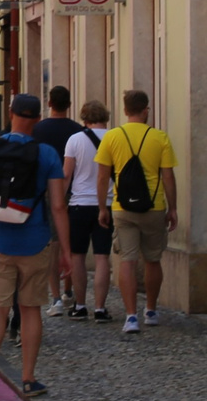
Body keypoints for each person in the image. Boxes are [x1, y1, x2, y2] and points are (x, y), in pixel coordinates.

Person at [0, 93, 67, 401]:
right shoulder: (47, 154)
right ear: (37, 119)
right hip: (34, 241)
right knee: (30, 309)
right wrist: (65, 250)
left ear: (9, 113)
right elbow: (58, 206)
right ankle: (28, 378)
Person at [95, 90, 180, 331]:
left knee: (127, 261)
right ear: (146, 110)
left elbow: (102, 177)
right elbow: (168, 177)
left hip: (122, 207)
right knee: (153, 260)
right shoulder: (159, 137)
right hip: (153, 207)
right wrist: (172, 208)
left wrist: (102, 207)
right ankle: (150, 310)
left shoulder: (112, 137)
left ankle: (131, 316)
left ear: (125, 110)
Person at [30, 88, 85, 315]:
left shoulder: (37, 130)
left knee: (53, 244)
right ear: (69, 104)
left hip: (47, 192)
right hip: (75, 192)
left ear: (49, 103)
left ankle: (55, 298)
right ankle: (68, 291)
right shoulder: (78, 130)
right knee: (69, 243)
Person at [62, 99, 115, 320]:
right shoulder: (114, 137)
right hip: (107, 203)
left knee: (78, 256)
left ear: (84, 118)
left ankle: (81, 306)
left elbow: (67, 174)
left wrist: (60, 202)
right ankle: (100, 309)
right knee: (102, 257)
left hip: (79, 203)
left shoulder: (74, 140)